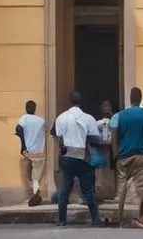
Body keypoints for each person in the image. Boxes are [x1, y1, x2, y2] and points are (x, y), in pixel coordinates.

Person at [53, 91, 103, 227]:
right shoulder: (89, 118)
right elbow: (95, 139)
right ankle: (96, 218)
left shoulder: (61, 118)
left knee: (64, 190)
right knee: (88, 190)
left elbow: (59, 139)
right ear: (81, 102)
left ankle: (61, 219)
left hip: (67, 157)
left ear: (70, 101)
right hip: (83, 158)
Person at [111, 87, 143, 229]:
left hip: (124, 156)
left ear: (129, 98)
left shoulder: (119, 115)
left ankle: (120, 219)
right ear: (141, 98)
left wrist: (115, 155)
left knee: (121, 190)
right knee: (142, 188)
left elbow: (114, 138)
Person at [15, 100, 47, 206]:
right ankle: (35, 193)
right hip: (39, 151)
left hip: (28, 151)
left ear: (26, 108)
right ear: (35, 108)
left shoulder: (23, 118)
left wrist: (23, 145)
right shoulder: (41, 121)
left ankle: (32, 194)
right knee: (36, 176)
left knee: (27, 175)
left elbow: (18, 129)